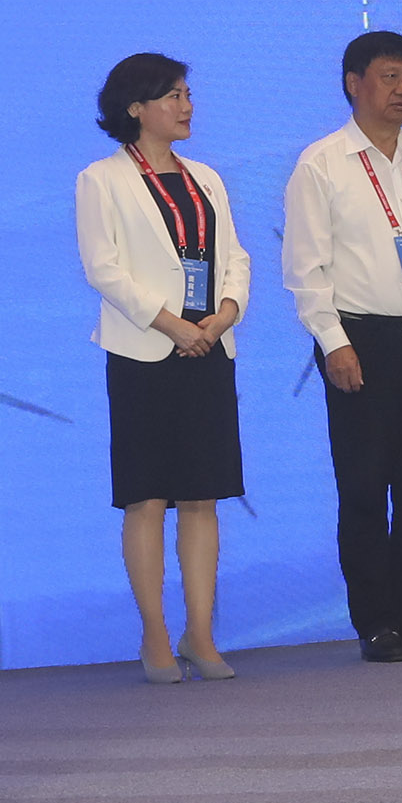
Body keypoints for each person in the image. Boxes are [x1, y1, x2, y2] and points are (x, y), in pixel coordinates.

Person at [283, 31, 402, 663]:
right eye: (390, 77)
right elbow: (305, 269)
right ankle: (375, 621)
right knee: (365, 489)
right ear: (354, 83)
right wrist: (333, 342)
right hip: (361, 342)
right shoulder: (321, 163)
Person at [78, 53, 249, 683]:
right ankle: (154, 633)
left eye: (187, 93)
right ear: (135, 108)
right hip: (144, 351)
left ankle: (200, 634)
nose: (186, 105)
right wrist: (172, 324)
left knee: (202, 496)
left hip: (209, 348)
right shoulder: (102, 179)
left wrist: (223, 315)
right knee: (147, 496)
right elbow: (103, 269)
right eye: (173, 95)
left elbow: (235, 257)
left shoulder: (206, 177)